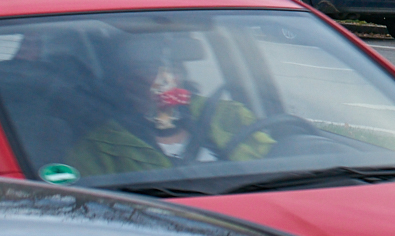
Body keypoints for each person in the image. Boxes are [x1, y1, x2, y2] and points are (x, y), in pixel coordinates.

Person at [68, 36, 273, 176]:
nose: (167, 80)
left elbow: (276, 158)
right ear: (124, 80)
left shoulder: (228, 114)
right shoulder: (97, 147)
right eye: (151, 70)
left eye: (173, 69)